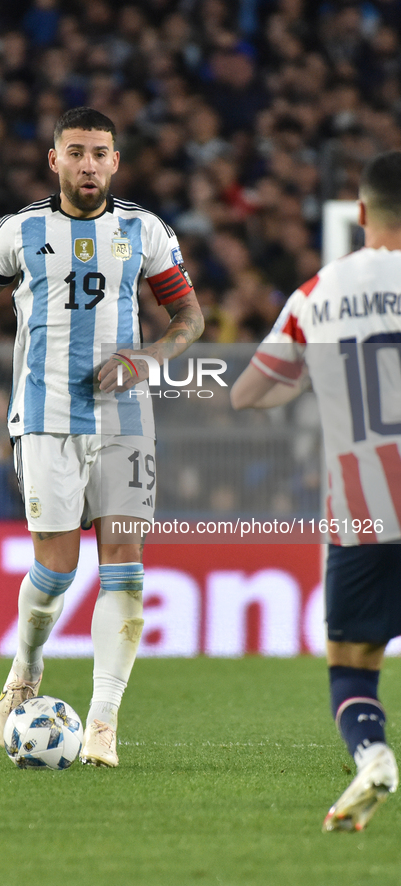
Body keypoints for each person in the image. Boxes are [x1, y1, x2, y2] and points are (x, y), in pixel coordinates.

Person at [0, 107, 204, 767]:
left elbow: (187, 315)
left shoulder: (143, 230)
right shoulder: (22, 231)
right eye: (76, 152)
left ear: (115, 161)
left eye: (100, 152)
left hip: (125, 419)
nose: (88, 164)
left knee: (125, 566)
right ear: (54, 160)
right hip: (43, 417)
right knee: (56, 572)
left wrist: (150, 358)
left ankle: (102, 723)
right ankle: (25, 666)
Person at [231, 150, 401, 831]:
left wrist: (304, 375)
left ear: (359, 214)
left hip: (360, 514)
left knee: (352, 665)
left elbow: (247, 394)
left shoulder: (315, 295)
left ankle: (373, 755)